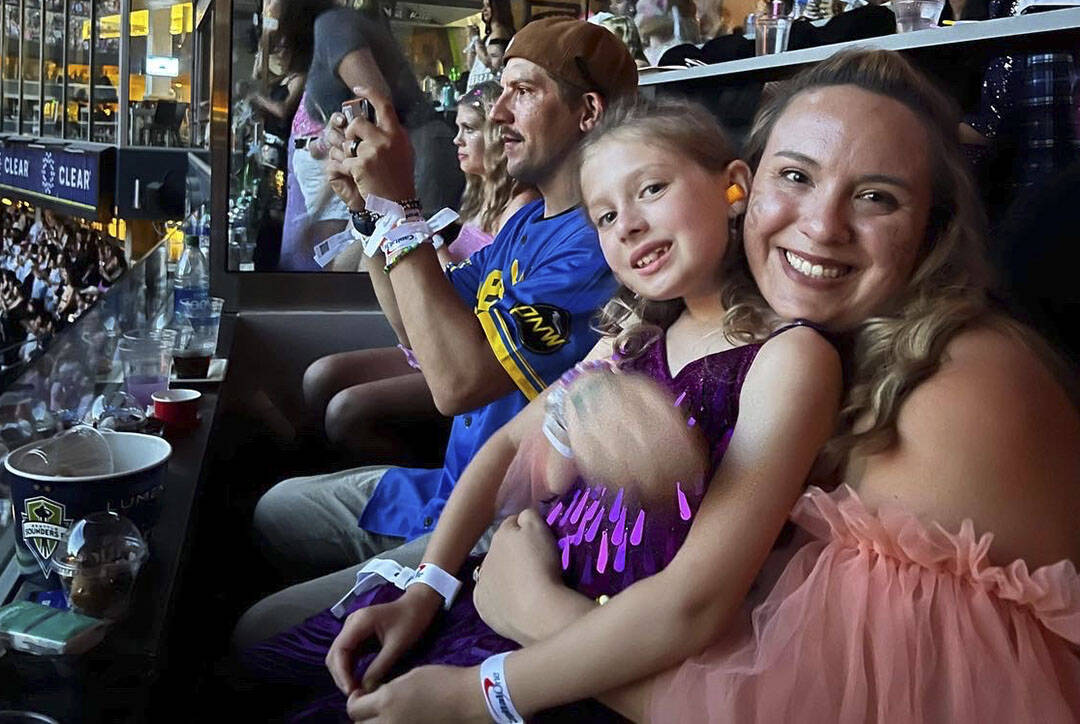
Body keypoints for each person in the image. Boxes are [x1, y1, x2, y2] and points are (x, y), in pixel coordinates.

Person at [451, 50, 1080, 723]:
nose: (821, 225)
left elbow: (791, 709)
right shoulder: (759, 337)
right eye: (795, 176)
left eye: (875, 197)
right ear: (742, 189)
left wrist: (535, 615)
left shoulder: (959, 388)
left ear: (931, 232)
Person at [240, 96, 841, 721]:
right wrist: (428, 588)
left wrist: (484, 694)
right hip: (501, 587)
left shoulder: (786, 357)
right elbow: (505, 447)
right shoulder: (633, 336)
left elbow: (689, 606)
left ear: (733, 187)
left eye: (652, 189)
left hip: (578, 654)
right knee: (264, 667)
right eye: (605, 217)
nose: (627, 225)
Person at [235, 18, 639, 646]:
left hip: (502, 524)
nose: (498, 111)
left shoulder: (596, 247)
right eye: (499, 89)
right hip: (448, 490)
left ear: (588, 111)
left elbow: (453, 384)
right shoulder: (528, 218)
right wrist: (368, 209)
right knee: (274, 510)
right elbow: (417, 324)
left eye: (523, 92)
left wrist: (401, 205)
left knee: (255, 635)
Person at [304, 80, 538, 462]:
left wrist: (424, 242)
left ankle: (414, 470)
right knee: (321, 376)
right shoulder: (475, 197)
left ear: (499, 137)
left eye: (470, 129)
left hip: (465, 343)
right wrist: (367, 214)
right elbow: (415, 310)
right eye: (457, 128)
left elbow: (473, 290)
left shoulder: (522, 207)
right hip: (429, 331)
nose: (456, 140)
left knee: (347, 410)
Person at [277, 0, 464, 270]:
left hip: (417, 160)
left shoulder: (333, 25)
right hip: (406, 159)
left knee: (399, 277)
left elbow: (378, 101)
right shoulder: (338, 26)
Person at [465, 0, 515, 91]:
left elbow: (492, 64)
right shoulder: (487, 38)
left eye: (488, 6)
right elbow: (470, 66)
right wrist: (471, 40)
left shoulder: (501, 32)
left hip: (488, 91)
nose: (483, 10)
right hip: (478, 91)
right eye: (483, 6)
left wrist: (475, 39)